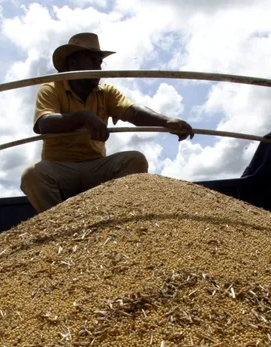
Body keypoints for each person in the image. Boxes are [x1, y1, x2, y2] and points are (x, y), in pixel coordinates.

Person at [20, 32, 195, 213]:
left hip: (96, 166)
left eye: (99, 61)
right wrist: (83, 117)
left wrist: (167, 121)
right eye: (92, 60)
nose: (99, 67)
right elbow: (45, 123)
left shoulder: (107, 92)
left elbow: (133, 112)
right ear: (73, 63)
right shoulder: (51, 88)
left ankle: (110, 220)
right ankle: (57, 225)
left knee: (135, 160)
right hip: (59, 169)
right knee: (31, 175)